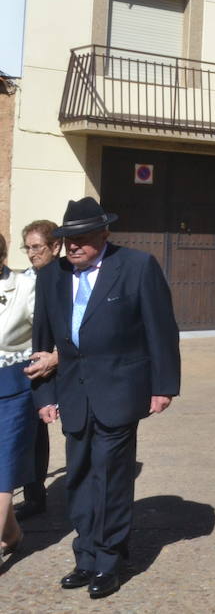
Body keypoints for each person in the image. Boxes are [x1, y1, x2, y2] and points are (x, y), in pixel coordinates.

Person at [29, 197, 181, 599]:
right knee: (78, 477)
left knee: (112, 476)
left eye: (81, 238)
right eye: (66, 239)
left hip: (119, 390)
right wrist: (44, 393)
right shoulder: (52, 277)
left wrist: (163, 385)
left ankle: (110, 560)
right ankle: (86, 555)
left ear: (104, 233)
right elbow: (41, 343)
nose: (73, 246)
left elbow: (160, 329)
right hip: (73, 394)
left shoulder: (136, 267)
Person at [17, 218, 58, 520]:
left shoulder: (65, 278)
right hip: (24, 361)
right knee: (27, 428)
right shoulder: (22, 279)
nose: (32, 253)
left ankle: (36, 494)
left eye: (37, 247)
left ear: (55, 246)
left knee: (38, 430)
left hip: (56, 361)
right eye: (27, 248)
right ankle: (32, 492)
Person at [0, 234, 37, 559]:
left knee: (4, 468)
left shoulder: (24, 287)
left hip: (12, 387)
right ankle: (11, 533)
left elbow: (46, 333)